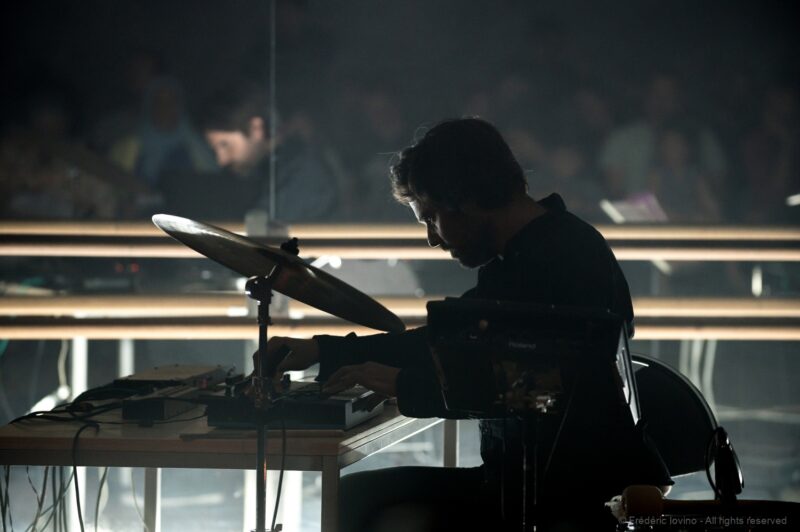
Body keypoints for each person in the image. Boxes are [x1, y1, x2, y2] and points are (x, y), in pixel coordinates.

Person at [262, 118, 671, 531]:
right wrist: (325, 350)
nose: (432, 238)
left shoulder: (550, 261)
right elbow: (449, 343)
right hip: (540, 485)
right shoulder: (543, 249)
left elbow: (544, 389)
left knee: (360, 500)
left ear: (467, 199)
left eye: (432, 217)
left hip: (562, 500)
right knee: (360, 497)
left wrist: (404, 384)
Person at [196, 84, 338, 222]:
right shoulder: (268, 172)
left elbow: (259, 231)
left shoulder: (303, 172)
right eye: (215, 150)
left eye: (225, 145)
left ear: (255, 128)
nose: (221, 160)